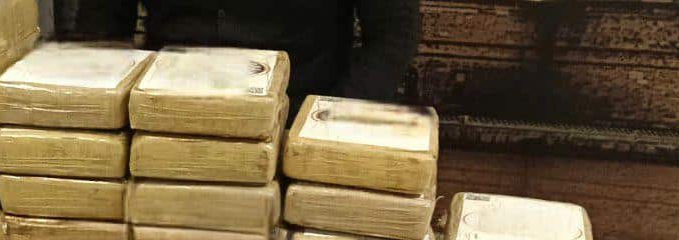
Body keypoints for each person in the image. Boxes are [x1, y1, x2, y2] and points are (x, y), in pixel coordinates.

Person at [55, 0, 420, 103]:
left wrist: (326, 122)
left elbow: (393, 36)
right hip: (164, 125)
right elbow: (100, 26)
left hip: (296, 122)